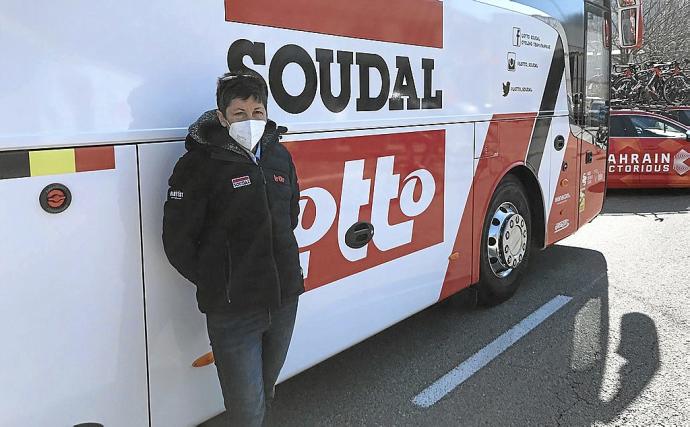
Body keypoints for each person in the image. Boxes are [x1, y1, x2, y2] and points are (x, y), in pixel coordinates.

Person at [162, 69, 303, 426]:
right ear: (223, 117)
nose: (250, 121)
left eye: (258, 113)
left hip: (284, 299)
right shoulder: (197, 165)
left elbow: (291, 214)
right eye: (240, 113)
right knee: (246, 410)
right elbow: (177, 241)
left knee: (266, 390)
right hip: (234, 312)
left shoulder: (278, 157)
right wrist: (220, 281)